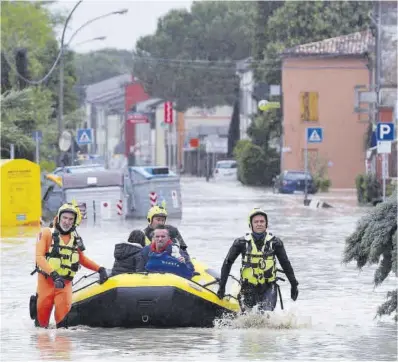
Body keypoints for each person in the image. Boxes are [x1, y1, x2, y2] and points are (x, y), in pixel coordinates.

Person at [31, 203, 108, 328]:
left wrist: (100, 269)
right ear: (59, 218)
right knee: (41, 327)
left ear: (74, 221)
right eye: (65, 218)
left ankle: (62, 347)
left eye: (70, 219)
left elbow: (82, 259)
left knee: (63, 327)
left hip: (64, 285)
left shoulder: (75, 239)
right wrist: (54, 275)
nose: (67, 222)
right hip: (46, 283)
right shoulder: (46, 233)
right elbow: (39, 258)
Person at [216, 208, 299, 312]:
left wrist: (294, 284)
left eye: (262, 221)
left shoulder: (276, 243)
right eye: (256, 222)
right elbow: (227, 263)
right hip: (248, 288)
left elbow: (285, 264)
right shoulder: (240, 243)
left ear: (266, 224)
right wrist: (222, 287)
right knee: (248, 318)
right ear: (250, 224)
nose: (259, 224)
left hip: (269, 287)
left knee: (266, 315)